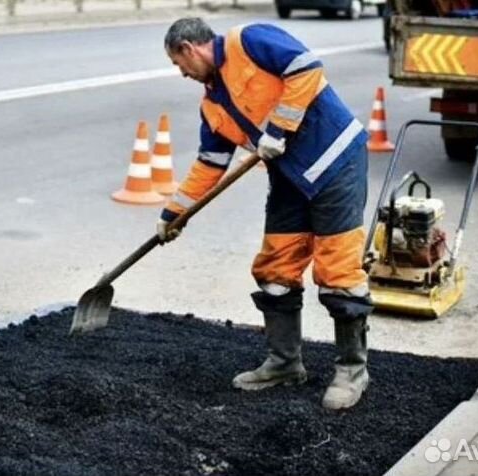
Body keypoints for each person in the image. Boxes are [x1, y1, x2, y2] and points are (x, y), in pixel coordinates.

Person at [157, 18, 373, 410]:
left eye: (178, 63)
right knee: (275, 270)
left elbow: (306, 68)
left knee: (338, 272)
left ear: (190, 48)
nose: (181, 73)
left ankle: (352, 370)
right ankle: (285, 364)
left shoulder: (249, 40)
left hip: (336, 163)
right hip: (290, 178)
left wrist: (279, 127)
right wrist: (174, 213)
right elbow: (210, 163)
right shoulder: (212, 105)